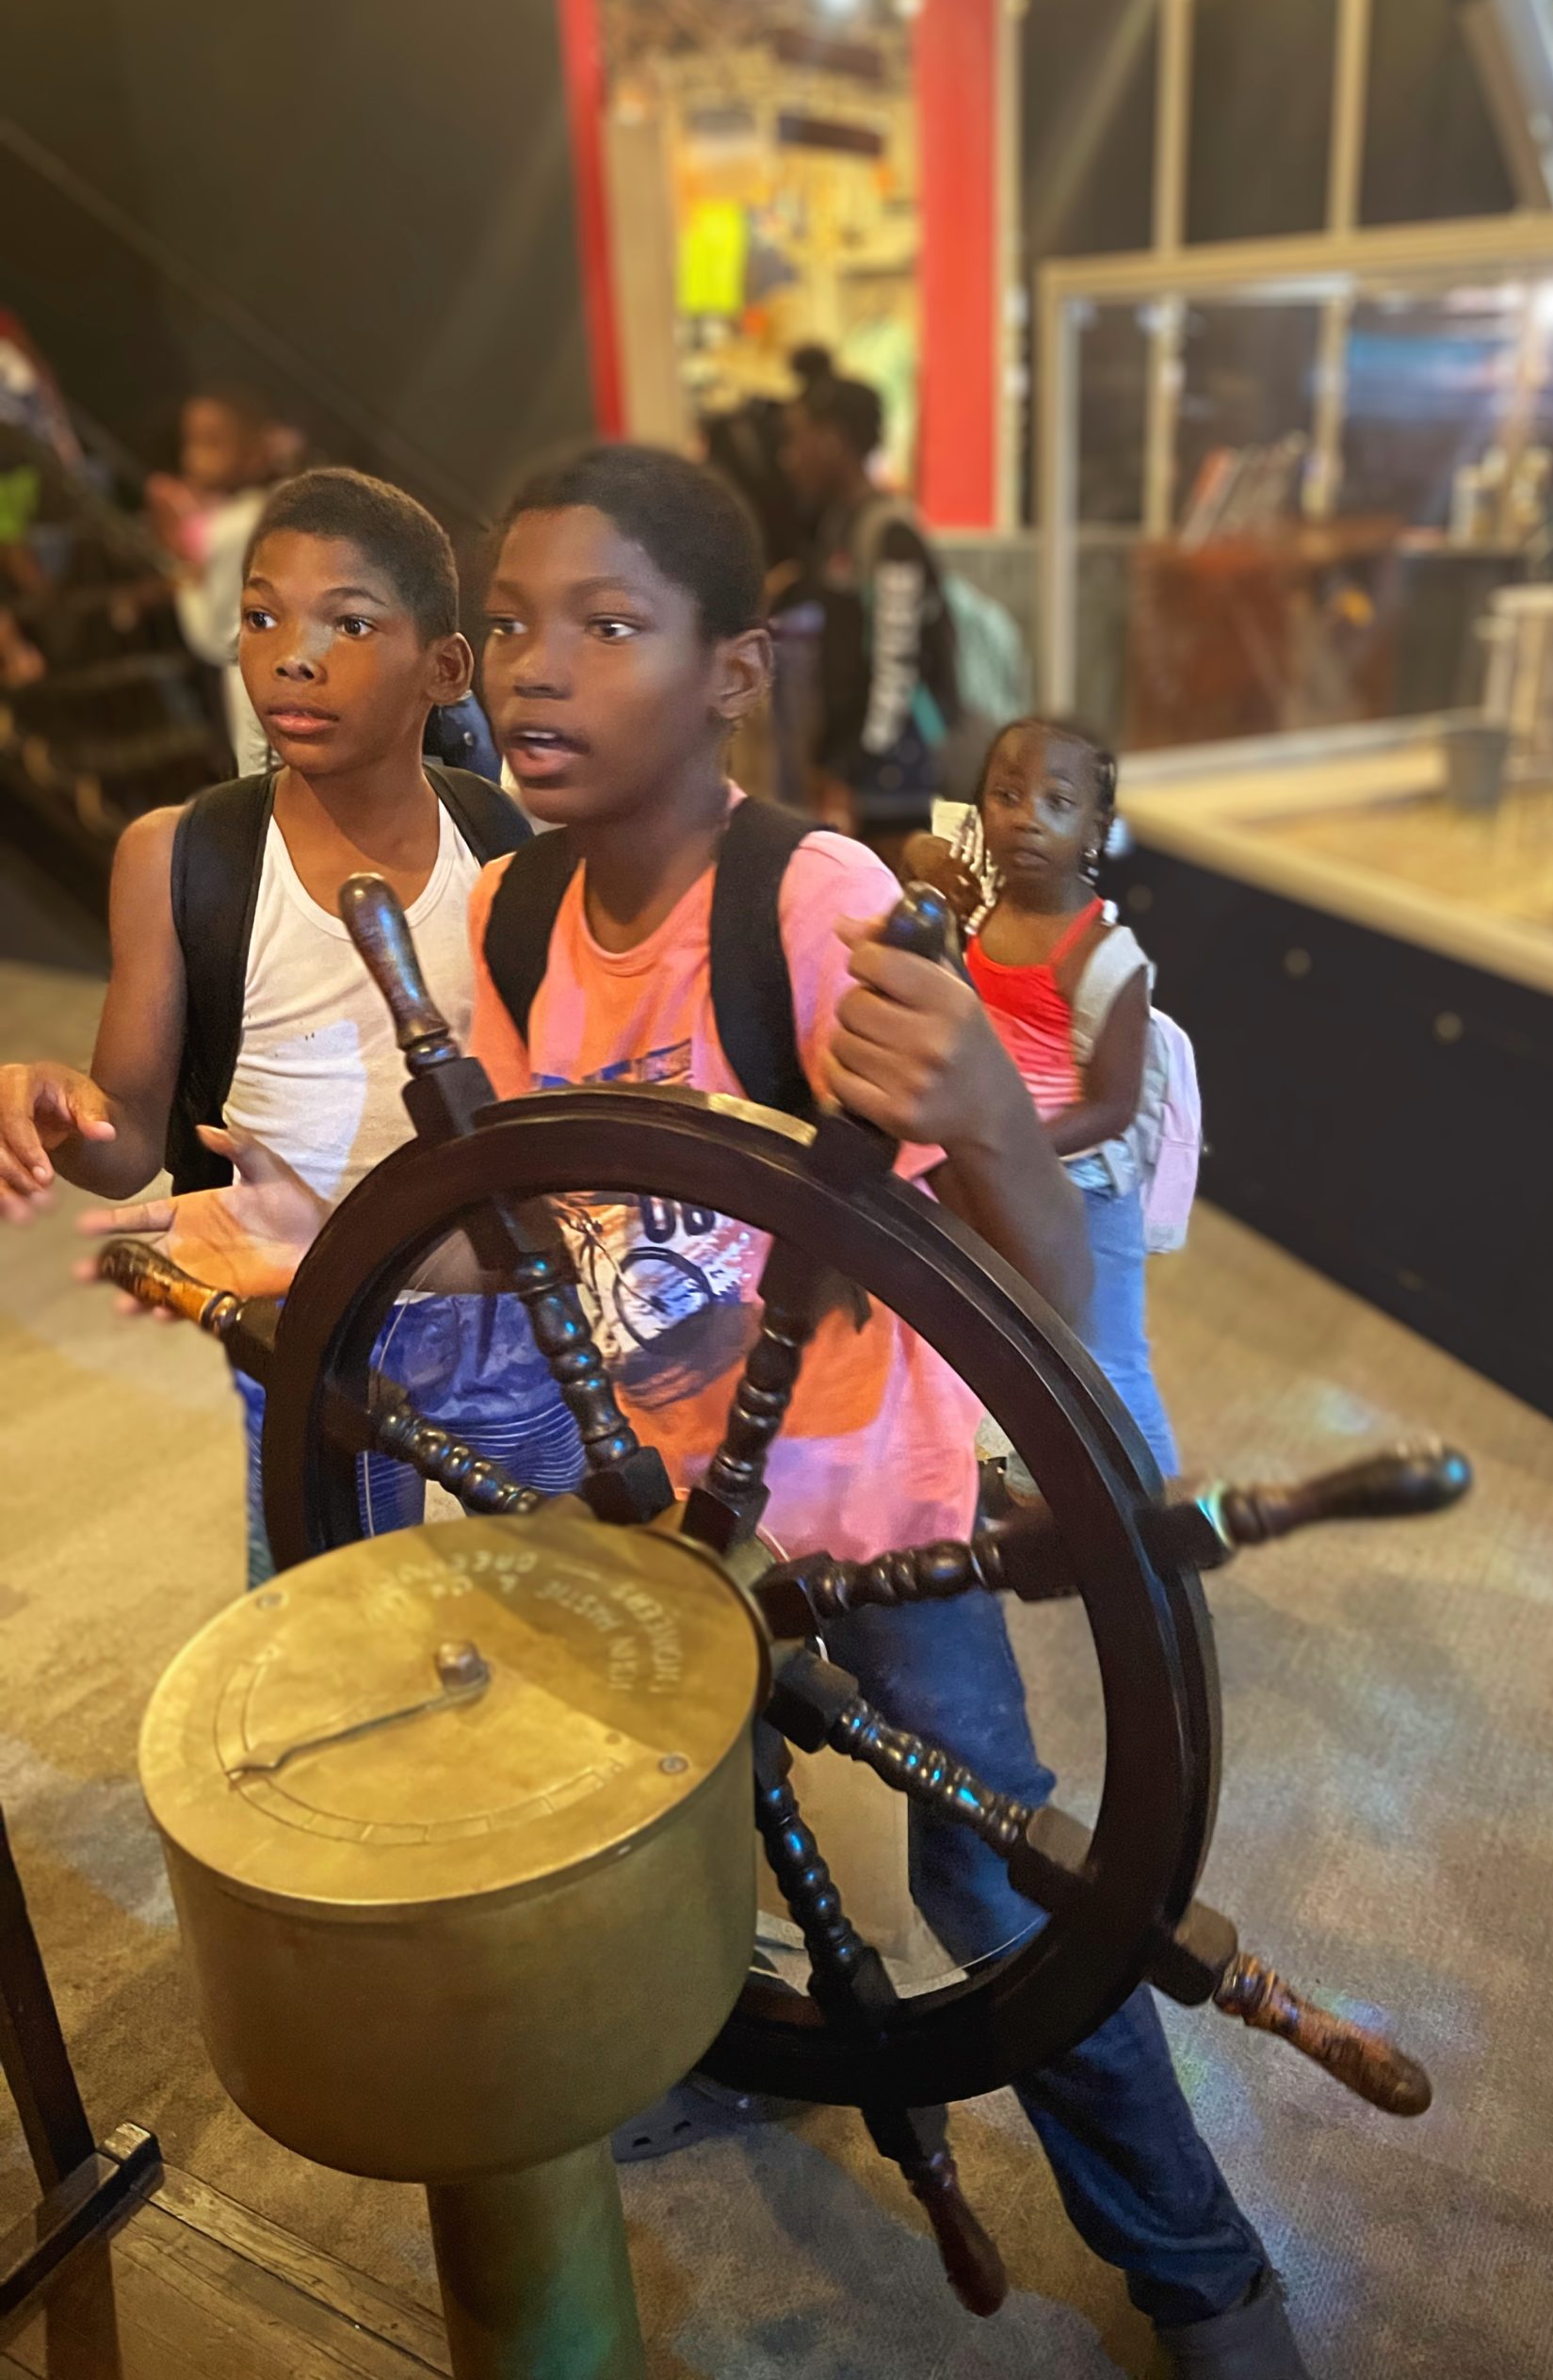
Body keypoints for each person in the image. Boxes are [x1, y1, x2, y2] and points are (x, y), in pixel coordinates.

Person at [77, 443, 1306, 2377]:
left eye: (612, 626)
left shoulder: (814, 907)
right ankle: (713, 2035)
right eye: (514, 628)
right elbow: (503, 1222)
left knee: (1007, 1881)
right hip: (649, 1505)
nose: (539, 671)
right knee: (668, 1810)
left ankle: (1198, 2263)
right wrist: (296, 1255)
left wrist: (985, 1104)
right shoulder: (507, 925)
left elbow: (1046, 1324)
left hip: (876, 1508)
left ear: (734, 671)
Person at [0, 466, 577, 1581]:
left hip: (496, 1301)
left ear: (444, 667)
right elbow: (123, 1145)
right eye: (262, 615)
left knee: (571, 1595)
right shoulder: (180, 856)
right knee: (330, 1623)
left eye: (349, 622)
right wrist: (60, 1105)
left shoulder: (502, 843)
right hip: (301, 1311)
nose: (290, 653)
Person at [910, 719, 1179, 1480]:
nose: (1028, 816)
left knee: (1108, 1355)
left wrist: (1012, 1140)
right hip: (998, 1163)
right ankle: (1048, 1489)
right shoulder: (982, 906)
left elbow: (1115, 1106)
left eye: (1058, 803)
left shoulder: (1103, 954)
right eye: (1007, 795)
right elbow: (921, 848)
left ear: (1098, 829)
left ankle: (1153, 1525)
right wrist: (923, 852)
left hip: (1082, 1184)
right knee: (1014, 1335)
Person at [780, 374, 961, 872]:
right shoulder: (839, 524)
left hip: (895, 784)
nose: (790, 455)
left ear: (835, 439)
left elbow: (897, 667)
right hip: (858, 773)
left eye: (800, 437)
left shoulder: (888, 532)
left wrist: (855, 768)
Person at [145, 383, 292, 777]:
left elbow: (212, 637)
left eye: (212, 443)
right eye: (190, 442)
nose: (194, 457)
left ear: (251, 449)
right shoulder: (285, 503)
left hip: (255, 676)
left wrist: (184, 574)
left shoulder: (234, 527)